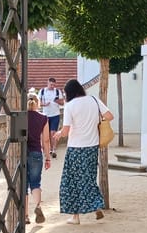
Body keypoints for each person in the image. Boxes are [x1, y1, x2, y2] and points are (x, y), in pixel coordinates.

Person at [54, 79, 113, 224]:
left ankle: (75, 217)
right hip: (92, 146)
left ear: (69, 92)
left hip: (76, 147)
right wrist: (95, 121)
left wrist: (58, 134)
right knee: (89, 178)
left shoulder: (70, 106)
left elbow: (66, 131)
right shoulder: (93, 100)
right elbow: (110, 116)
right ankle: (96, 205)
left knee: (72, 182)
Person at [25, 94, 52, 223]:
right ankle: (37, 206)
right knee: (36, 183)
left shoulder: (21, 116)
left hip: (22, 153)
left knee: (23, 185)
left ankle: (25, 216)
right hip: (36, 152)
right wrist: (48, 157)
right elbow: (46, 140)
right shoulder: (43, 118)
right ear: (38, 103)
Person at [39, 77, 64, 158]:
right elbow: (38, 103)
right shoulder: (42, 91)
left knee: (53, 132)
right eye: (51, 84)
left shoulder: (57, 91)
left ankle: (54, 149)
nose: (52, 86)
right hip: (45, 115)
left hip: (55, 115)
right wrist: (44, 104)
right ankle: (48, 148)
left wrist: (58, 101)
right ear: (48, 83)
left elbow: (62, 103)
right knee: (46, 133)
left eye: (54, 85)